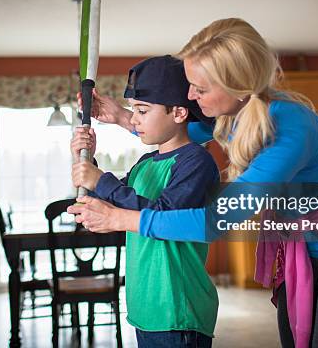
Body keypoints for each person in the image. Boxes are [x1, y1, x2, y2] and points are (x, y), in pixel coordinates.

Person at [68, 19, 318, 348]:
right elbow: (176, 128)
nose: (189, 96)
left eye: (199, 87)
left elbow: (213, 221)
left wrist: (119, 218)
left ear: (237, 86)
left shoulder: (290, 130)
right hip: (299, 236)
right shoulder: (233, 112)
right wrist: (116, 115)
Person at [71, 55, 220, 348]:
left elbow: (163, 215)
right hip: (147, 307)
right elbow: (115, 203)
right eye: (132, 110)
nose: (133, 119)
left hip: (178, 309)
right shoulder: (145, 163)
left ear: (178, 113)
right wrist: (86, 159)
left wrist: (99, 178)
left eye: (142, 110)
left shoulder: (196, 162)